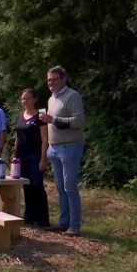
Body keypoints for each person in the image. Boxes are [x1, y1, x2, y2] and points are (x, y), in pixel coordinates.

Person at [39, 66, 86, 236]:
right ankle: (64, 222)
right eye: (49, 80)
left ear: (63, 79)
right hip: (54, 148)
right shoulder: (52, 99)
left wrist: (54, 119)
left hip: (70, 146)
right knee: (60, 187)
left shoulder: (72, 96)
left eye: (54, 79)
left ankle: (74, 225)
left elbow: (79, 121)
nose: (51, 82)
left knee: (70, 187)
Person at [14, 89, 50, 228]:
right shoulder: (20, 116)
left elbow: (45, 139)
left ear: (35, 99)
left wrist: (43, 159)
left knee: (37, 186)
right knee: (26, 186)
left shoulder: (40, 116)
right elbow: (17, 137)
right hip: (22, 156)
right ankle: (29, 216)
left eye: (28, 98)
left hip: (35, 156)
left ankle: (42, 219)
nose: (25, 101)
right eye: (23, 99)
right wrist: (15, 156)